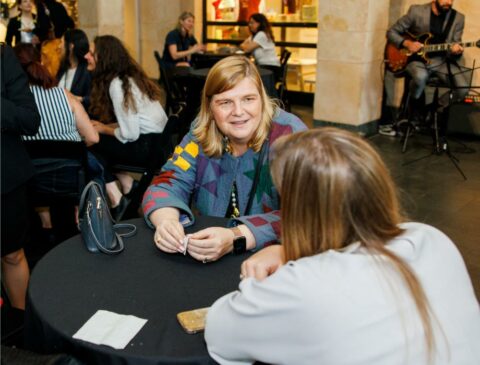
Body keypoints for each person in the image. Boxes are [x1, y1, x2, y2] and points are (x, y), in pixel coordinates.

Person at [204, 128, 480, 365]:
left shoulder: (306, 285)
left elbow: (220, 331)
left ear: (303, 210)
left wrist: (258, 285)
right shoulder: (433, 240)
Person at [142, 56, 307, 263]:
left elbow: (308, 216)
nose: (238, 112)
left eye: (248, 99)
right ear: (210, 107)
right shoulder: (201, 132)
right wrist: (166, 221)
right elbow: (167, 182)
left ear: (262, 99)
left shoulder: (290, 135)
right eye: (225, 102)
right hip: (207, 258)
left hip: (270, 262)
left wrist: (235, 237)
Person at [14, 43, 98, 235]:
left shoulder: (13, 103)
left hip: (30, 185)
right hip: (69, 184)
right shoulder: (64, 95)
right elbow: (93, 137)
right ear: (41, 61)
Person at [86, 35, 168, 221]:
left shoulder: (117, 85)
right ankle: (127, 183)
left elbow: (130, 133)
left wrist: (103, 130)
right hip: (157, 143)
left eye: (91, 53)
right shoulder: (129, 78)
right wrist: (105, 126)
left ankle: (116, 197)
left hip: (146, 148)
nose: (87, 56)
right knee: (98, 140)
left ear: (103, 58)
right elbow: (133, 123)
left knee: (89, 144)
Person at [1, 43, 41, 309]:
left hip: (5, 178)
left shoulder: (3, 56)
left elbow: (30, 119)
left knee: (12, 255)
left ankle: (21, 331)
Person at [386, 0, 469, 127]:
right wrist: (407, 43)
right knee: (421, 77)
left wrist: (456, 52)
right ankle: (414, 110)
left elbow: (455, 45)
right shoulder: (416, 11)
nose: (448, 2)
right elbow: (391, 32)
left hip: (440, 61)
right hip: (416, 60)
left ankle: (434, 108)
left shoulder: (458, 18)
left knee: (463, 88)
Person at [56, 28, 92, 110]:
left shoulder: (87, 70)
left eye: (61, 42)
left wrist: (79, 99)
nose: (59, 46)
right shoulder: (63, 68)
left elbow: (95, 99)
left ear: (70, 47)